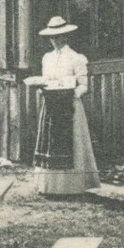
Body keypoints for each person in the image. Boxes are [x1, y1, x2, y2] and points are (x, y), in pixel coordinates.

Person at [29, 15, 101, 196]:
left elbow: (84, 85)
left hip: (69, 106)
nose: (54, 41)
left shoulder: (76, 58)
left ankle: (72, 187)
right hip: (51, 105)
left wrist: (71, 93)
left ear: (65, 37)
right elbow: (47, 80)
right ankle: (50, 186)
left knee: (72, 142)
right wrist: (42, 87)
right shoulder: (47, 58)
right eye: (52, 37)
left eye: (58, 37)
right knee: (50, 143)